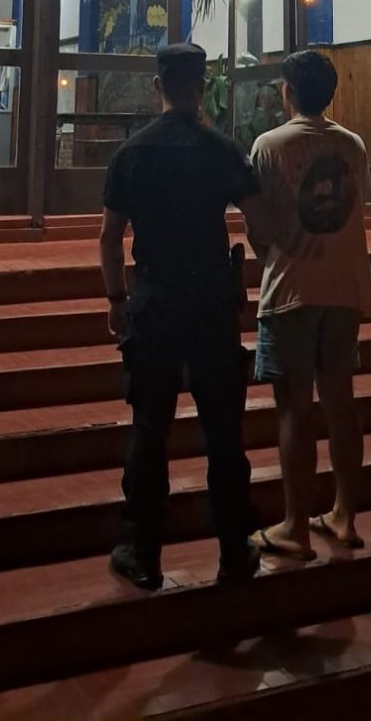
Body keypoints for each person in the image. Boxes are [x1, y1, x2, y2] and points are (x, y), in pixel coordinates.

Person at [100, 42, 264, 591]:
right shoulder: (222, 149)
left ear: (158, 86)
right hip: (212, 303)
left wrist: (116, 299)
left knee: (150, 429)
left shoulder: (132, 153)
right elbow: (258, 219)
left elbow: (109, 236)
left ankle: (143, 551)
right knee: (224, 429)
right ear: (202, 86)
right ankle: (234, 548)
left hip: (154, 302)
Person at [245, 49, 371, 561]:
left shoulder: (269, 146)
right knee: (341, 402)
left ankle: (295, 526)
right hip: (346, 289)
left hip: (291, 291)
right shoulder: (353, 145)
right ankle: (344, 516)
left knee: (294, 409)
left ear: (288, 92)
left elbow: (260, 225)